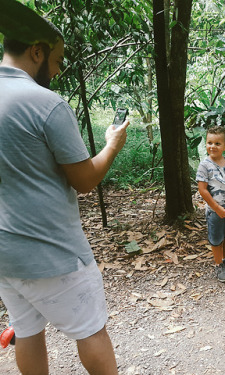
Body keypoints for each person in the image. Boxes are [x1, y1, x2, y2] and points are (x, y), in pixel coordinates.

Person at [0, 20, 128, 375]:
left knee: (26, 331)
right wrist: (112, 145)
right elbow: (85, 180)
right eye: (55, 60)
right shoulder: (45, 103)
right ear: (36, 51)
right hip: (51, 251)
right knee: (90, 330)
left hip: (4, 252)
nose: (57, 70)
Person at [196, 126, 225, 282]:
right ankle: (218, 264)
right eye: (209, 142)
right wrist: (216, 208)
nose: (212, 146)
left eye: (217, 143)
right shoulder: (205, 166)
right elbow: (203, 190)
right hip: (215, 211)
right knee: (216, 239)